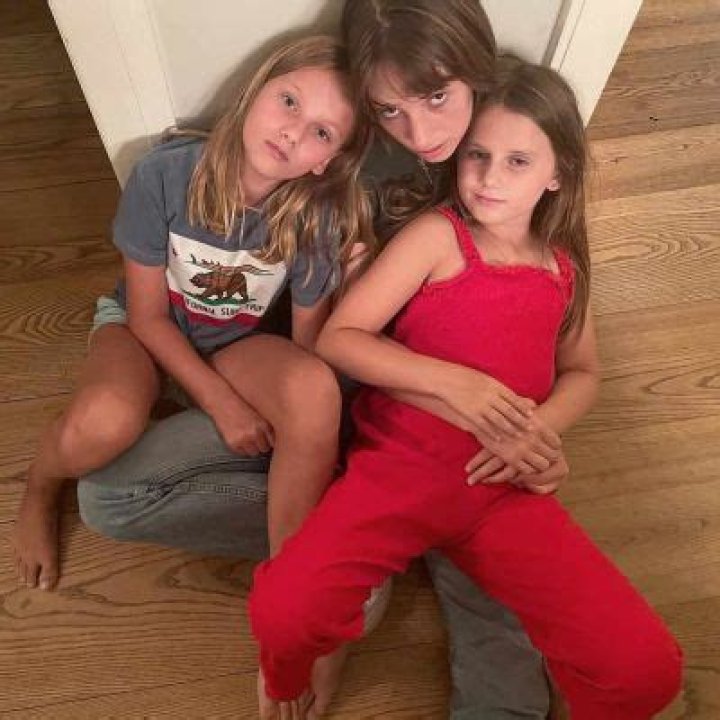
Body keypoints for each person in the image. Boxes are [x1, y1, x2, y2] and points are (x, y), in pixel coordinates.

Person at [71, 3, 557, 719]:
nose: (421, 133)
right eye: (389, 109)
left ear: (475, 71)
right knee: (108, 496)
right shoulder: (340, 157)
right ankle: (351, 559)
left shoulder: (521, 142)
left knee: (490, 558)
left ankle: (361, 560)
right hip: (332, 394)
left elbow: (559, 333)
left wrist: (533, 425)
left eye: (436, 97)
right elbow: (317, 344)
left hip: (460, 431)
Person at [249, 55, 684, 720]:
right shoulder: (439, 237)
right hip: (395, 479)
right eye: (477, 155)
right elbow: (341, 337)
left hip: (501, 496)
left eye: (517, 161)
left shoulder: (563, 268)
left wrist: (541, 430)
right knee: (284, 612)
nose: (488, 176)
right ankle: (290, 679)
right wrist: (459, 386)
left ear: (558, 172)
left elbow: (584, 372)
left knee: (649, 673)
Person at [11, 34, 375, 591]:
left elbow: (308, 350)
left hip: (236, 344)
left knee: (310, 388)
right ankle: (41, 483)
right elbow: (147, 316)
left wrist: (348, 288)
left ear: (325, 161)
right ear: (255, 90)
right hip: (143, 329)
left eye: (320, 132)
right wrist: (221, 403)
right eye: (289, 101)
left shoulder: (315, 218)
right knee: (105, 420)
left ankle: (294, 587)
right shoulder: (164, 174)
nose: (292, 132)